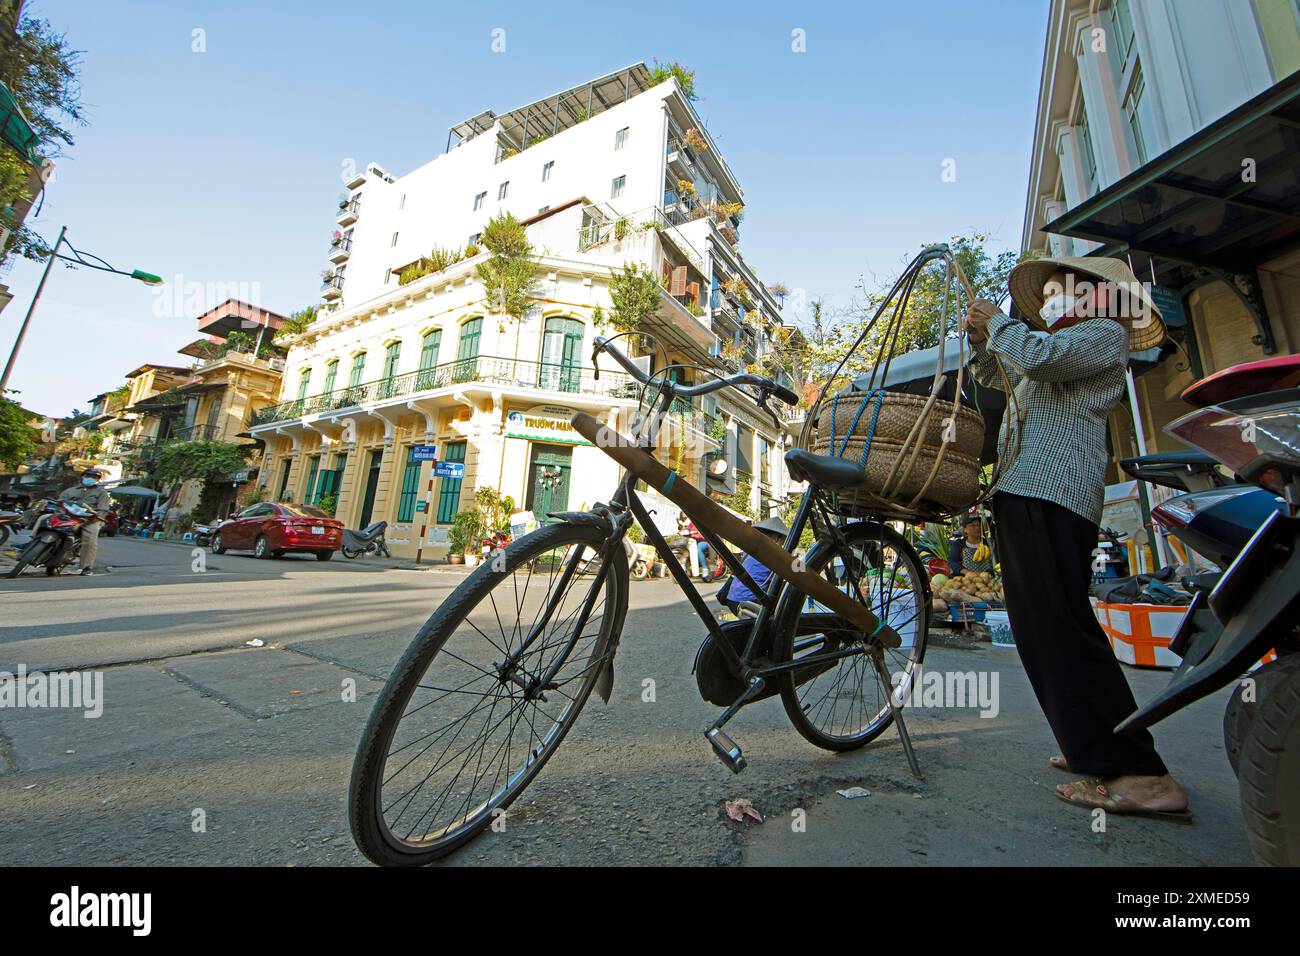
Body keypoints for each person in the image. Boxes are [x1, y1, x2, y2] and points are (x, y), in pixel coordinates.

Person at [965, 254, 1188, 819]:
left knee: (1062, 627)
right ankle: (1089, 742)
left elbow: (1038, 359)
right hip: (1023, 491)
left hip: (1054, 493)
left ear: (1099, 297)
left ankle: (1140, 772)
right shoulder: (1050, 344)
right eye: (1055, 291)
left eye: (1069, 290)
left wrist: (998, 324)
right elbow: (1002, 372)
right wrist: (980, 337)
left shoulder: (1102, 337)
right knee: (1040, 629)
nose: (1055, 300)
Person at [716, 516, 790, 614]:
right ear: (777, 538)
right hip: (748, 600)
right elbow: (798, 570)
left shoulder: (751, 550)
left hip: (733, 597)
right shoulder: (772, 554)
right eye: (783, 539)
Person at [56, 468, 111, 575]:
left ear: (97, 479)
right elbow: (60, 502)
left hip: (89, 519)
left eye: (93, 477)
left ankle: (86, 567)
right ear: (82, 477)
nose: (90, 478)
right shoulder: (70, 490)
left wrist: (97, 517)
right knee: (44, 519)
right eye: (87, 476)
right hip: (68, 516)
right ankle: (31, 544)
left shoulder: (101, 493)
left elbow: (103, 509)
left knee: (90, 539)